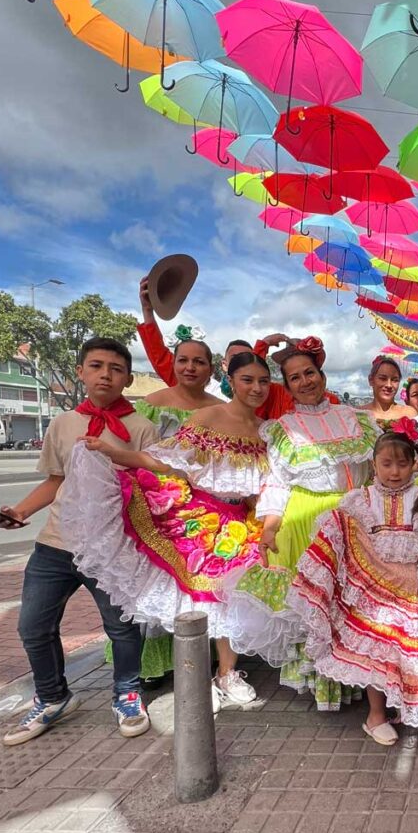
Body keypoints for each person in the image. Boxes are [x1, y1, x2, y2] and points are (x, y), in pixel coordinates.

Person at [62, 351, 271, 712]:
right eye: (247, 380)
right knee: (199, 603)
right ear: (231, 381)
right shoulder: (208, 417)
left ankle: (227, 675)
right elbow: (163, 461)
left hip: (245, 524)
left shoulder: (266, 430)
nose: (256, 388)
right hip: (202, 519)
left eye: (263, 381)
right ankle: (198, 680)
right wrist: (110, 452)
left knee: (233, 603)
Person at [227, 423, 418, 746]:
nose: (394, 472)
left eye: (402, 464)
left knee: (412, 650)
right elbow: (340, 532)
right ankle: (375, 716)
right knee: (377, 651)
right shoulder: (359, 500)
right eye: (387, 464)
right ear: (374, 465)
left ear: (414, 464)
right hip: (371, 591)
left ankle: (406, 706)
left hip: (412, 588)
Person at [0, 338, 157, 745]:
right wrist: (20, 512)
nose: (106, 375)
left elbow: (154, 482)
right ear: (81, 372)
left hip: (111, 547)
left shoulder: (141, 428)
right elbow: (56, 480)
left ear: (128, 378)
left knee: (121, 627)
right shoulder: (63, 424)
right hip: (55, 544)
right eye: (96, 366)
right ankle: (52, 697)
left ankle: (127, 693)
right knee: (33, 626)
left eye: (116, 368)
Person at [246, 337, 379, 709]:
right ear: (287, 387)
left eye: (309, 373)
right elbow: (277, 481)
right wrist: (270, 527)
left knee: (352, 600)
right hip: (307, 522)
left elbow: (378, 469)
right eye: (295, 378)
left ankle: (356, 674)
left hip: (354, 515)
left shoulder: (356, 418)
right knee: (318, 602)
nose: (305, 381)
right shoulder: (284, 429)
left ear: (322, 375)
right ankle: (324, 681)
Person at [122, 336, 223, 686]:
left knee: (197, 580)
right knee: (161, 582)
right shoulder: (151, 405)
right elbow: (136, 452)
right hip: (158, 507)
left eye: (199, 362)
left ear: (210, 369)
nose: (190, 367)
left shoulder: (220, 409)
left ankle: (201, 654)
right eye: (183, 360)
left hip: (205, 509)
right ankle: (155, 662)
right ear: (174, 364)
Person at [136, 274, 296, 419]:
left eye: (248, 358)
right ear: (223, 365)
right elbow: (160, 356)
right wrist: (148, 311)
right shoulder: (196, 382)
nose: (244, 364)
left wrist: (264, 346)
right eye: (236, 359)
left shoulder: (258, 393)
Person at [360, 356, 418, 430]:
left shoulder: (409, 414)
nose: (389, 385)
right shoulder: (357, 415)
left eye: (394, 380)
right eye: (383, 379)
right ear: (371, 380)